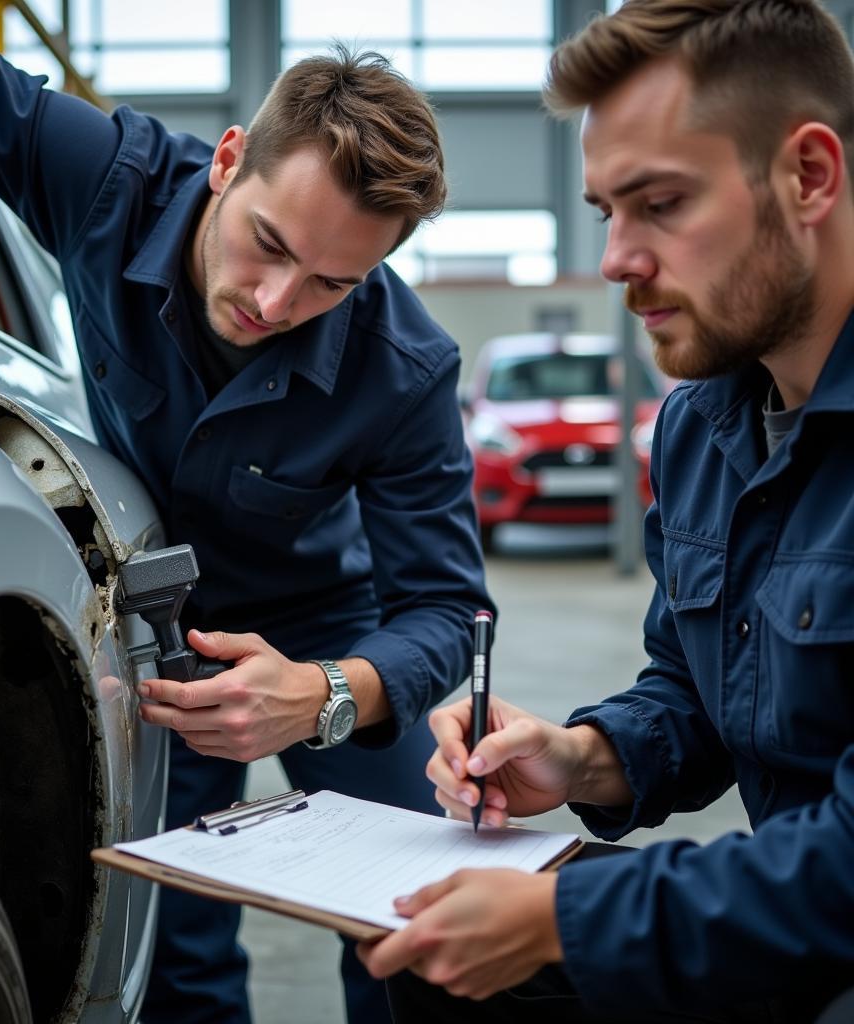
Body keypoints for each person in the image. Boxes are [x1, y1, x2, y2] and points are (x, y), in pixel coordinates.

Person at [0, 10, 493, 1023]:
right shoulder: (113, 182)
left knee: (420, 921)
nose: (274, 301)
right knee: (171, 946)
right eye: (266, 243)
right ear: (228, 161)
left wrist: (321, 694)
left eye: (331, 283)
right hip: (161, 625)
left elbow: (446, 609)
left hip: (328, 628)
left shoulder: (406, 369)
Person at [356, 1, 854, 1021]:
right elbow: (697, 687)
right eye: (604, 212)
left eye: (660, 203)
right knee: (415, 954)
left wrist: (560, 912)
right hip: (789, 919)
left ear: (808, 176)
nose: (618, 258)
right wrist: (582, 757)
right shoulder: (700, 428)